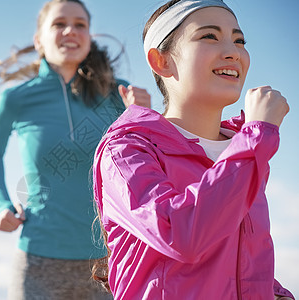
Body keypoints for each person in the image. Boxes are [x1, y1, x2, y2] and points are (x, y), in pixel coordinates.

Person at [92, 0, 295, 299]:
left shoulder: (242, 147)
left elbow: (234, 259)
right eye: (209, 36)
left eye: (239, 41)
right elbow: (180, 233)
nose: (233, 52)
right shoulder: (125, 150)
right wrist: (257, 137)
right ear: (161, 61)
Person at [0, 0, 150, 299]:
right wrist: (2, 205)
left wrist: (144, 117)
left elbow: (147, 162)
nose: (71, 30)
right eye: (59, 24)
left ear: (89, 37)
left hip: (109, 262)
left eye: (80, 24)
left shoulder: (120, 95)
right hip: (38, 259)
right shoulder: (15, 100)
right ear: (39, 40)